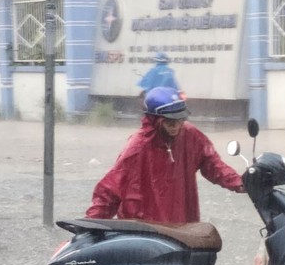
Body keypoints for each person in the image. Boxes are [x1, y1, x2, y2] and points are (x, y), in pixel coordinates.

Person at [86, 87, 245, 224]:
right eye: (170, 122)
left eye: (180, 120)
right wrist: (91, 225)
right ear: (155, 120)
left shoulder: (190, 135)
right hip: (146, 232)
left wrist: (240, 182)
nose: (176, 126)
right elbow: (109, 191)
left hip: (182, 228)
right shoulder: (137, 148)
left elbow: (214, 165)